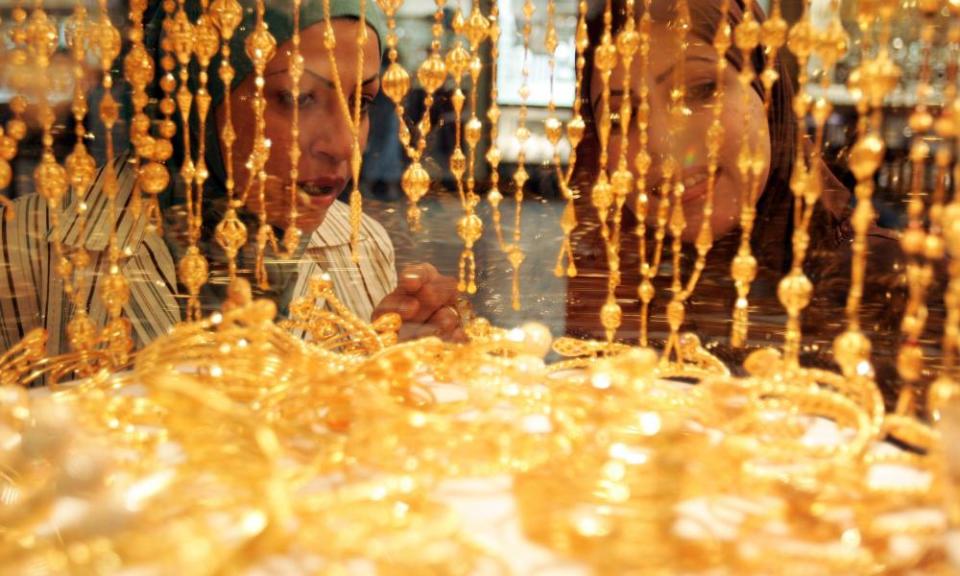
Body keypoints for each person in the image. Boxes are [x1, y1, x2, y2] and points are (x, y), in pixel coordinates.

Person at [0, 0, 463, 357]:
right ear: (203, 97)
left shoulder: (363, 244)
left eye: (361, 103)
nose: (344, 145)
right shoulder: (27, 245)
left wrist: (390, 367)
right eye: (299, 98)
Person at [565, 0, 912, 396]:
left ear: (767, 94)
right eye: (618, 118)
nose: (662, 144)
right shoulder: (606, 288)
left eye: (700, 90)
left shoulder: (886, 284)